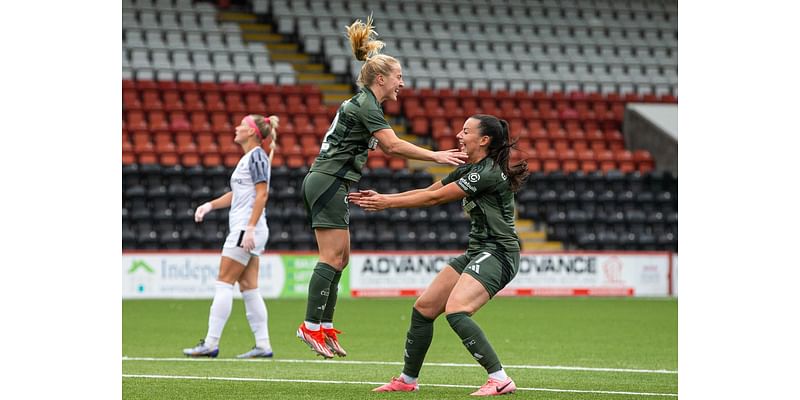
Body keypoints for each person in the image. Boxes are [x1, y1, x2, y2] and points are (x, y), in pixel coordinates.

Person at [296, 15, 468, 359]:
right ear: (381, 78)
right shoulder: (365, 105)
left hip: (333, 180)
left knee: (341, 259)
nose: (401, 83)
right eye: (398, 77)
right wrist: (435, 155)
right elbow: (392, 146)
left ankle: (325, 325)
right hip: (328, 179)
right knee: (330, 256)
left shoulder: (366, 105)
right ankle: (310, 327)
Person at [349, 115, 528, 396]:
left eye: (466, 131)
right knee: (425, 308)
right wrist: (385, 197)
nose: (459, 134)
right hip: (478, 251)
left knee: (457, 311)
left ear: (484, 140)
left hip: (499, 253)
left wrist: (386, 203)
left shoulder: (485, 173)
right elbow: (430, 190)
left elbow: (434, 199)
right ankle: (408, 380)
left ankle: (500, 378)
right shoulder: (473, 169)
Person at [183, 114, 279, 359]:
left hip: (245, 229)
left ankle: (211, 343)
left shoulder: (256, 156)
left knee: (224, 282)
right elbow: (239, 194)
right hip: (251, 228)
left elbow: (262, 195)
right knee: (249, 288)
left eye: (242, 125)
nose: (236, 128)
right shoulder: (250, 158)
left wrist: (248, 228)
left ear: (251, 132)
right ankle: (263, 345)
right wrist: (210, 205)